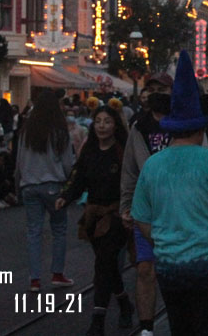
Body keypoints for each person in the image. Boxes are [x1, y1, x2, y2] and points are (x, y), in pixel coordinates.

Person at [131, 51, 208, 336]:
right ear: (202, 125)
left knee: (180, 326)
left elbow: (141, 217)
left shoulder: (153, 165)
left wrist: (161, 242)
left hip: (169, 267)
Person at [58, 101, 135, 335]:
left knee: (103, 264)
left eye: (107, 122)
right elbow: (77, 177)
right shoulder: (89, 151)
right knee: (108, 265)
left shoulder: (122, 152)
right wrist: (66, 196)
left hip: (115, 216)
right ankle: (124, 303)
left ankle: (98, 319)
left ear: (115, 125)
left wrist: (129, 209)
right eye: (98, 122)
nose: (102, 126)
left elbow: (132, 181)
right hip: (93, 216)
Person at [120, 89, 172, 336]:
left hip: (176, 208)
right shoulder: (139, 129)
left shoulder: (184, 127)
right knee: (144, 267)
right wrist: (126, 205)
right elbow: (129, 170)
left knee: (174, 268)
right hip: (146, 207)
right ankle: (146, 327)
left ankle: (178, 318)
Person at [15, 91, 76, 292]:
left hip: (29, 185)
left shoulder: (27, 131)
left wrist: (20, 180)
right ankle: (57, 273)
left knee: (34, 231)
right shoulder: (59, 131)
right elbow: (68, 163)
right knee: (59, 229)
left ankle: (35, 278)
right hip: (53, 185)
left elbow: (19, 160)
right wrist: (70, 183)